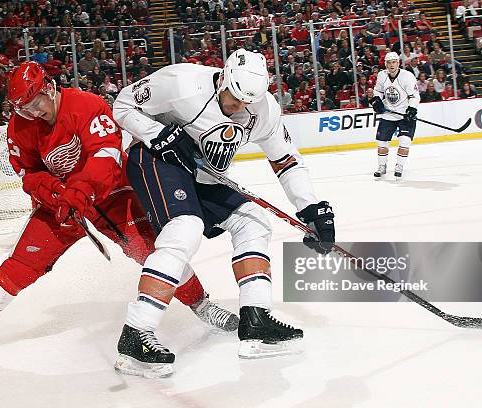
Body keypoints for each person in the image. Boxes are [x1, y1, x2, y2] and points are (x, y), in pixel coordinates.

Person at [0, 62, 237, 359]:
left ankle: (202, 305)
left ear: (48, 88)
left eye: (35, 103)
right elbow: (28, 172)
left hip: (109, 194)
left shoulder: (86, 104)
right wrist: (54, 193)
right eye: (24, 109)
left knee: (154, 249)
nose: (33, 113)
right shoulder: (20, 127)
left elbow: (107, 153)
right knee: (25, 261)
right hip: (61, 204)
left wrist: (81, 191)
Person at [112, 49, 335, 376]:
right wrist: (158, 135)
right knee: (185, 228)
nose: (238, 107)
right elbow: (123, 104)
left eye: (247, 102)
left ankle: (256, 320)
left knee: (254, 222)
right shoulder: (181, 82)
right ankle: (136, 333)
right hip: (157, 158)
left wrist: (311, 207)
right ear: (224, 78)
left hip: (201, 171)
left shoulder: (264, 110)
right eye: (233, 97)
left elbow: (285, 159)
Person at [369, 52, 420, 179]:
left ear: (398, 63)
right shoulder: (382, 75)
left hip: (404, 115)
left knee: (404, 142)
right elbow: (378, 91)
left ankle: (399, 166)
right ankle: (382, 166)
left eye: (394, 62)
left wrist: (412, 109)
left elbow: (414, 96)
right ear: (385, 64)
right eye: (389, 63)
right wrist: (377, 101)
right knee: (382, 143)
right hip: (388, 114)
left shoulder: (407, 76)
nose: (391, 65)